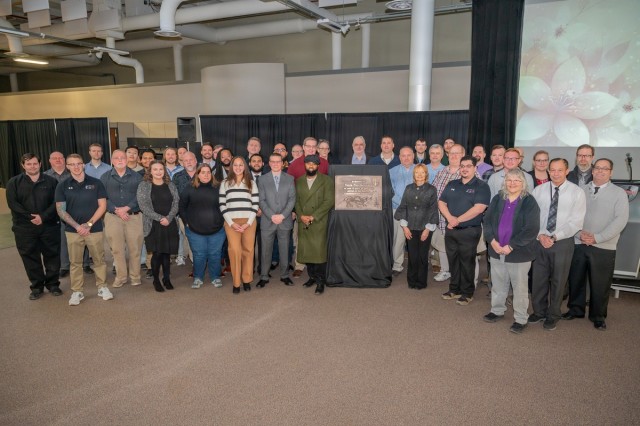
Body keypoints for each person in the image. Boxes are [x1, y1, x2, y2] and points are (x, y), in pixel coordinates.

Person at [564, 159, 629, 331]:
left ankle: (598, 316)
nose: (600, 171)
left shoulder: (619, 193)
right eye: (598, 168)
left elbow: (620, 220)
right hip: (579, 242)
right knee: (576, 279)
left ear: (611, 172)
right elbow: (571, 215)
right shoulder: (581, 190)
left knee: (600, 283)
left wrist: (598, 238)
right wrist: (579, 234)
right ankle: (576, 309)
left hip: (603, 246)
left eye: (605, 169)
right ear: (592, 170)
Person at [530, 158, 586, 331]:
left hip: (562, 242)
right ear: (548, 171)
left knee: (558, 280)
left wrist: (554, 237)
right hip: (540, 241)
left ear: (567, 171)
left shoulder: (577, 192)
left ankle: (553, 314)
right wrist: (541, 235)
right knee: (538, 279)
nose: (555, 173)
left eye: (559, 170)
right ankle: (539, 311)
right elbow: (531, 217)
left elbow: (577, 222)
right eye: (552, 170)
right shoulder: (538, 191)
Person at [482, 169, 540, 334]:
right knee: (498, 284)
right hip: (496, 249)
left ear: (523, 183)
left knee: (519, 288)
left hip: (518, 252)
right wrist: (492, 241)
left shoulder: (529, 201)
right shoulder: (498, 198)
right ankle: (497, 310)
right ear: (504, 182)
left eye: (517, 181)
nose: (512, 183)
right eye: (509, 180)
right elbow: (487, 222)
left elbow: (531, 229)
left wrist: (510, 246)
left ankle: (521, 318)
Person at [55, 153, 112, 306]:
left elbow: (102, 206)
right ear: (67, 166)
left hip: (95, 229)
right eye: (72, 164)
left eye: (78, 163)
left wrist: (89, 224)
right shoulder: (62, 185)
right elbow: (61, 210)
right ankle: (77, 291)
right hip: (73, 231)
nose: (76, 167)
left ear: (83, 165)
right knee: (75, 263)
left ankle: (102, 287)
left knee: (99, 260)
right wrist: (78, 226)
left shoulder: (96, 183)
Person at [6, 153, 62, 300]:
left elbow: (56, 203)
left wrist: (42, 217)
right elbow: (13, 204)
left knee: (52, 255)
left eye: (35, 164)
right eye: (29, 164)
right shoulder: (14, 183)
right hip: (24, 228)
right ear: (23, 165)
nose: (32, 166)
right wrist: (31, 218)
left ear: (40, 164)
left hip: (49, 226)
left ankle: (53, 284)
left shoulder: (51, 181)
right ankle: (37, 287)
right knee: (30, 257)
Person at [438, 155, 490, 305]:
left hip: (469, 230)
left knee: (467, 262)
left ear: (475, 168)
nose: (465, 169)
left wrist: (457, 220)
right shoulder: (452, 183)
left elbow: (479, 208)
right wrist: (450, 219)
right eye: (463, 166)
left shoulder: (481, 186)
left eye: (468, 166)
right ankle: (454, 289)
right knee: (453, 260)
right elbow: (441, 202)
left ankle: (467, 293)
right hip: (451, 229)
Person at [100, 150, 144, 288]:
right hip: (112, 218)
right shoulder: (105, 177)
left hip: (134, 217)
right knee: (117, 250)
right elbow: (102, 198)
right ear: (112, 160)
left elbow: (141, 196)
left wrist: (127, 208)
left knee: (135, 249)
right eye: (116, 158)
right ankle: (121, 277)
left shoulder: (137, 177)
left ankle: (135, 276)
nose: (120, 160)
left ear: (127, 159)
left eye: (122, 157)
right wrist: (116, 210)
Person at [179, 164, 227, 289]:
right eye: (203, 172)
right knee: (199, 254)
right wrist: (186, 223)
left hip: (217, 230)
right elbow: (182, 207)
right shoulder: (189, 188)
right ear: (197, 174)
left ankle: (215, 277)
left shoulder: (219, 188)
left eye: (208, 172)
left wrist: (223, 221)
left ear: (211, 174)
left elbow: (225, 206)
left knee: (215, 254)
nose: (206, 175)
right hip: (195, 230)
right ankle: (198, 277)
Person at [44, 151, 91, 277]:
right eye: (55, 158)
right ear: (50, 160)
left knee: (84, 237)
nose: (58, 160)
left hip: (77, 213)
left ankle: (85, 263)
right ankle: (64, 266)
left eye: (60, 158)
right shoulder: (45, 176)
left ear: (65, 160)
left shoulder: (74, 173)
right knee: (63, 241)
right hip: (56, 215)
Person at [137, 161, 180, 293]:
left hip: (169, 223)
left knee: (166, 254)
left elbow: (176, 202)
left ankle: (166, 279)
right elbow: (143, 206)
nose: (158, 172)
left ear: (164, 171)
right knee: (157, 253)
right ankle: (156, 279)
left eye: (161, 169)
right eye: (155, 169)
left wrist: (168, 217)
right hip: (153, 224)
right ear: (150, 171)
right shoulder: (144, 185)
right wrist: (160, 218)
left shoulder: (170, 184)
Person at [394, 164, 438, 290]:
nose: (419, 175)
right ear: (414, 174)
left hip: (425, 228)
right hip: (410, 227)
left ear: (426, 174)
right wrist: (404, 227)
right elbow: (403, 207)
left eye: (422, 172)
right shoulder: (408, 188)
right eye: (417, 172)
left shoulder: (431, 189)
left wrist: (428, 229)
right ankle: (411, 281)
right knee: (412, 255)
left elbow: (433, 210)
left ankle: (421, 282)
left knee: (422, 256)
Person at [295, 155, 335, 295]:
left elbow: (329, 201)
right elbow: (296, 201)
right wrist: (301, 216)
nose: (310, 166)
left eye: (313, 164)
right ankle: (311, 277)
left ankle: (320, 281)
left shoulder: (326, 180)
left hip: (318, 221)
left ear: (318, 166)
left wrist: (313, 216)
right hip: (304, 221)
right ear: (304, 165)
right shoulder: (299, 181)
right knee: (307, 252)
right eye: (308, 164)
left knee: (319, 253)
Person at [255, 153, 296, 288]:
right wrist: (272, 215)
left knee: (284, 249)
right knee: (266, 251)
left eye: (278, 161)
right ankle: (264, 276)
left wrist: (283, 215)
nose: (275, 164)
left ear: (282, 163)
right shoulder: (262, 180)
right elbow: (261, 200)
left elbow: (292, 199)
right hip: (268, 220)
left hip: (285, 220)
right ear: (269, 163)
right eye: (273, 161)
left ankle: (285, 275)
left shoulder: (290, 179)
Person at [219, 156, 259, 294]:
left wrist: (248, 223)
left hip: (249, 221)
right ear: (231, 167)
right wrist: (231, 223)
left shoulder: (251, 183)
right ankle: (236, 282)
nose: (238, 167)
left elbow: (255, 205)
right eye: (235, 165)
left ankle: (246, 279)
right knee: (235, 250)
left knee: (248, 251)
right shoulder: (225, 183)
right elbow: (222, 205)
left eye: (240, 165)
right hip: (231, 222)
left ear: (245, 166)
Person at [430, 144, 466, 282]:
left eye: (457, 153)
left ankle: (461, 272)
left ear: (463, 155)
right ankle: (445, 270)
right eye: (451, 153)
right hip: (440, 217)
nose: (454, 155)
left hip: (459, 219)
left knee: (460, 247)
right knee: (443, 245)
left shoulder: (469, 172)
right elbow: (433, 192)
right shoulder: (442, 172)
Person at [389, 147, 416, 276]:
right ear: (399, 157)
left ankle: (416, 265)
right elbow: (390, 191)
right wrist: (403, 204)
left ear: (413, 156)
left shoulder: (420, 170)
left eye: (409, 155)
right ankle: (397, 265)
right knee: (398, 240)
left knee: (416, 239)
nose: (406, 158)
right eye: (403, 156)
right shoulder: (392, 171)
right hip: (397, 209)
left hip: (417, 211)